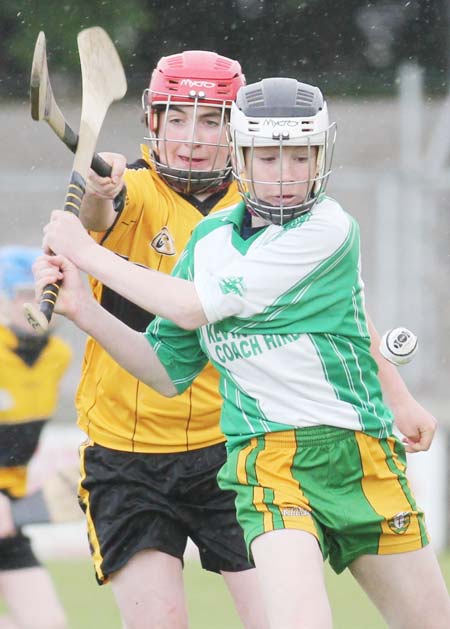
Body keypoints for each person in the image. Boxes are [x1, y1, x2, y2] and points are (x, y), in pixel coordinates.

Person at [34, 76, 450, 628]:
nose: (285, 175)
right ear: (243, 155)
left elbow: (190, 307)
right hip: (267, 463)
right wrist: (84, 310)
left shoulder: (327, 229)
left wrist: (84, 251)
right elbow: (162, 370)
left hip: (359, 456)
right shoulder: (208, 243)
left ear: (321, 155)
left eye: (300, 157)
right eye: (268, 157)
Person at [51, 50, 268, 629]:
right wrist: (99, 189)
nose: (191, 138)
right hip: (128, 458)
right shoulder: (136, 192)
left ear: (235, 128)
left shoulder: (259, 210)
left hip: (236, 451)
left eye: (210, 120)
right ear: (153, 121)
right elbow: (102, 211)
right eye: (177, 118)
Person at [0, 246, 71, 629]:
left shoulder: (58, 355)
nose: (36, 304)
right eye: (23, 294)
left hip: (9, 511)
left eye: (44, 292)